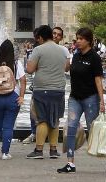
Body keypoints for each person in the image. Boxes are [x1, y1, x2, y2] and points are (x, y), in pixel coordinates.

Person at [58, 27, 105, 174]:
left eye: (81, 39)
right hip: (74, 97)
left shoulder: (95, 58)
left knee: (93, 129)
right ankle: (70, 162)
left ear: (89, 41)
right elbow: (67, 70)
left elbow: (98, 80)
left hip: (90, 98)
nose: (78, 41)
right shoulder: (76, 55)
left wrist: (102, 101)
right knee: (71, 127)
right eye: (77, 38)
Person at [25, 25, 68, 160]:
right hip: (59, 89)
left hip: (42, 89)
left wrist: (37, 64)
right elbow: (66, 68)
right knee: (54, 119)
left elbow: (30, 69)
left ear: (41, 37)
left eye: (38, 39)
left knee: (42, 120)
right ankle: (53, 150)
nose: (38, 41)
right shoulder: (63, 50)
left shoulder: (38, 49)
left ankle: (39, 150)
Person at [0, 39, 26, 160]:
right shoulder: (16, 64)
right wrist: (21, 96)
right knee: (8, 127)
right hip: (12, 97)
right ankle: (5, 153)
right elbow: (23, 80)